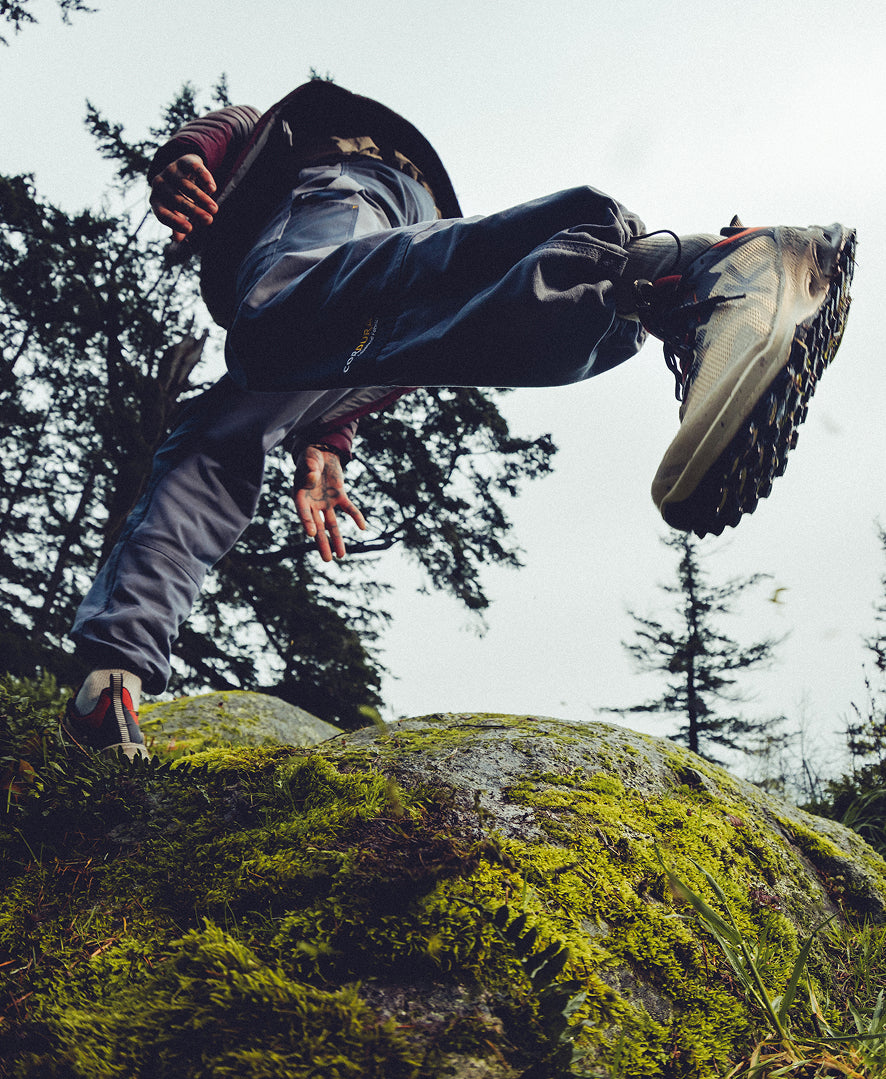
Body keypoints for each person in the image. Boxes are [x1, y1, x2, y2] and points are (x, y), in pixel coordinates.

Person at [61, 80, 856, 759]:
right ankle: (112, 680)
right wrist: (328, 441)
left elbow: (236, 121)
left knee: (270, 321)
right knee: (218, 433)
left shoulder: (280, 175)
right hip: (390, 224)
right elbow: (356, 336)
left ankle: (689, 265)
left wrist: (185, 155)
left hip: (346, 178)